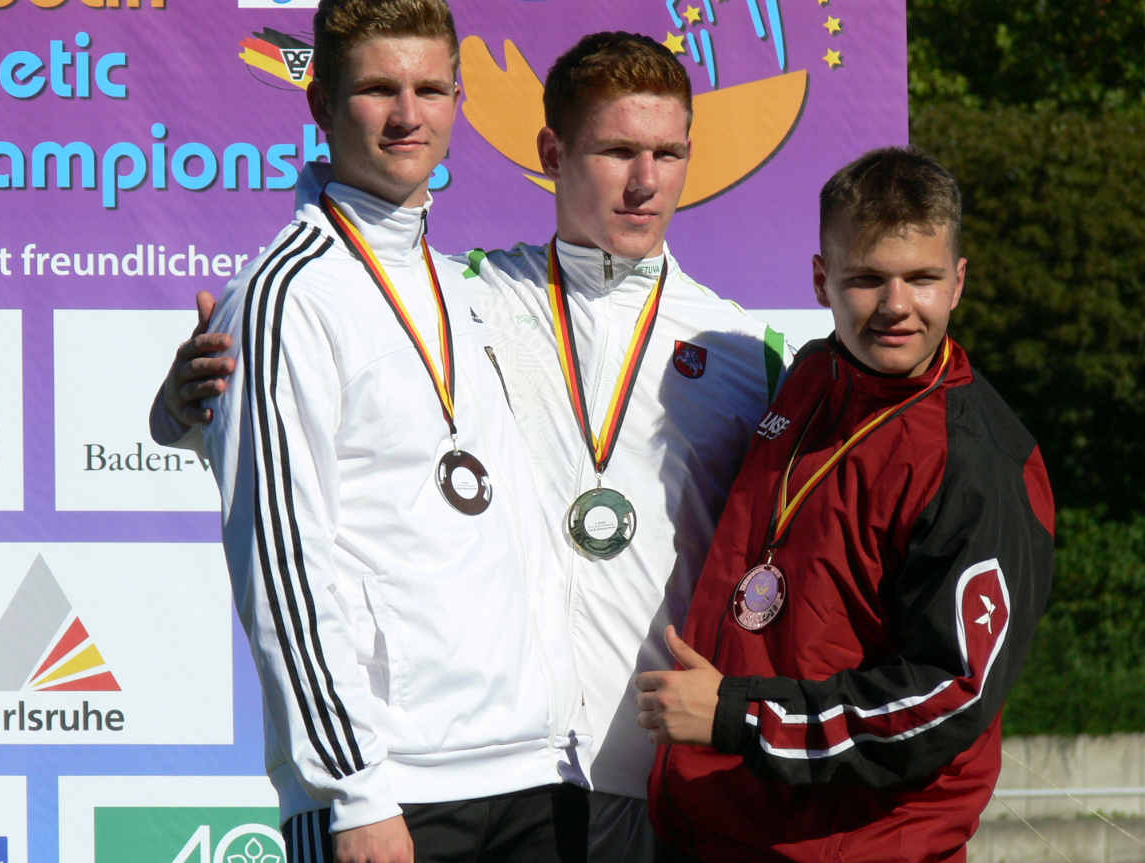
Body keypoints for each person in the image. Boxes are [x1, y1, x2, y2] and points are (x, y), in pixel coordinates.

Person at [152, 32, 787, 863]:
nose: (645, 181)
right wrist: (182, 404)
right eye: (617, 151)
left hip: (661, 780)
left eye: (668, 154)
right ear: (552, 153)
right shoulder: (472, 295)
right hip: (524, 773)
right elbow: (302, 431)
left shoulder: (741, 348)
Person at [172, 2, 593, 861]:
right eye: (377, 89)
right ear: (321, 103)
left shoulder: (467, 287)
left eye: (430, 89)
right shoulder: (286, 296)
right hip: (388, 789)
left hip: (534, 771)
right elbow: (283, 566)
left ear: (458, 99)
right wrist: (352, 790)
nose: (408, 115)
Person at [636, 147, 1055, 863]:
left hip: (857, 846)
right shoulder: (810, 375)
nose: (896, 306)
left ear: (958, 282)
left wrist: (743, 716)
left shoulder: (979, 463)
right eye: (866, 279)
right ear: (820, 280)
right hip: (725, 830)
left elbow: (948, 696)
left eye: (922, 278)